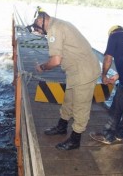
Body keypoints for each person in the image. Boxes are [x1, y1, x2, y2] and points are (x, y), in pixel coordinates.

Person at [29, 10, 101, 150]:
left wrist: (43, 67)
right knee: (68, 101)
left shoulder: (54, 29)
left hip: (84, 72)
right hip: (75, 71)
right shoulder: (59, 23)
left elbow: (55, 61)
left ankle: (75, 140)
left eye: (38, 29)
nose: (40, 33)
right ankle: (62, 127)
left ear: (40, 21)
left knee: (81, 106)